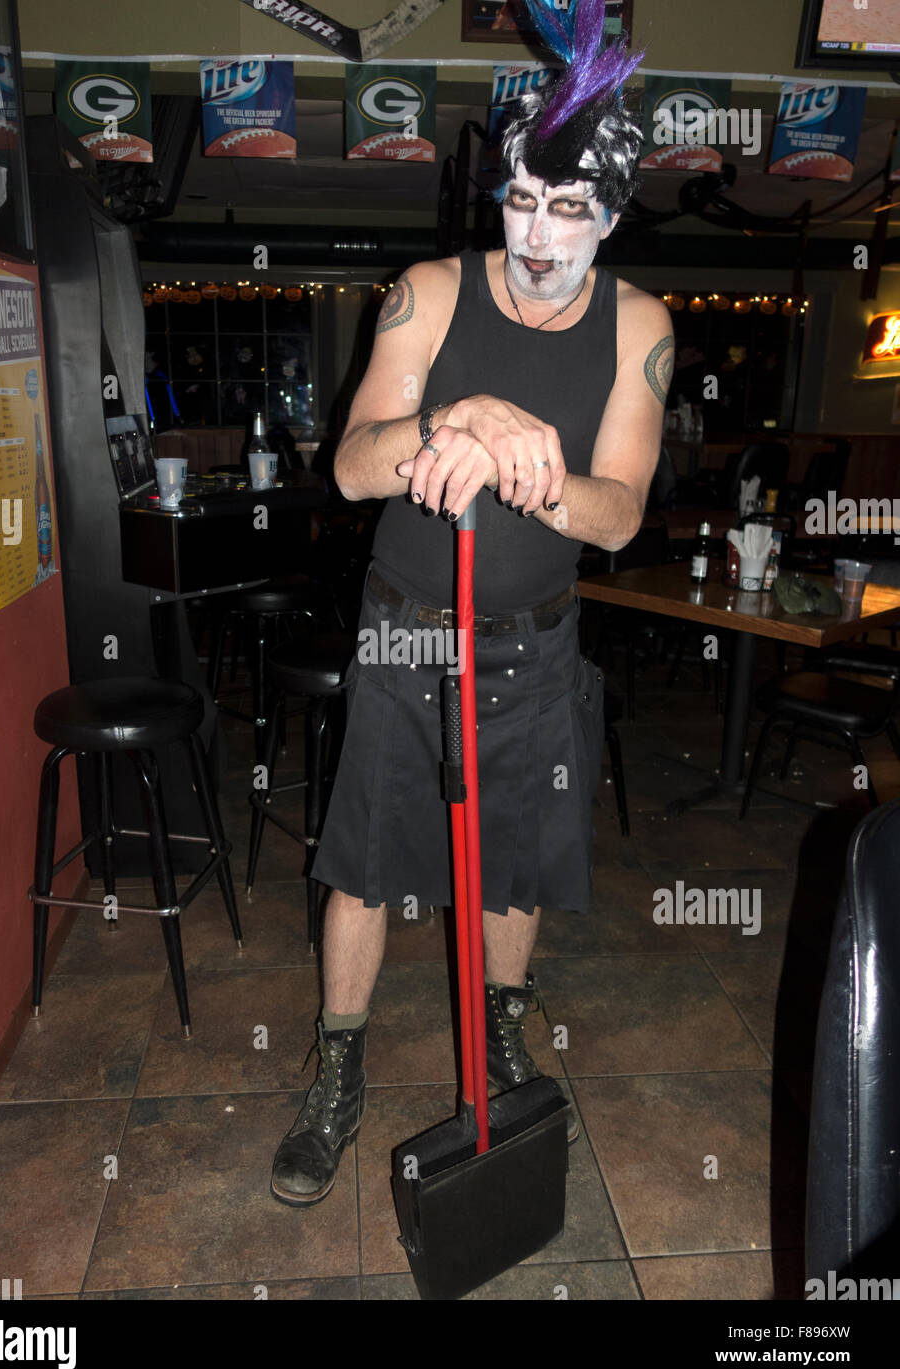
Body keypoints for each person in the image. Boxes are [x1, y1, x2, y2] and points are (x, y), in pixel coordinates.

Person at [270, 0, 674, 1207]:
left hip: (537, 646)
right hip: (407, 627)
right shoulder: (429, 294)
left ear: (610, 216)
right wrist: (458, 420)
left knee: (513, 875)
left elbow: (620, 514)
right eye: (521, 201)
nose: (540, 236)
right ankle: (337, 1065)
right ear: (498, 194)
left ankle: (497, 1034)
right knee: (362, 868)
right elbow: (347, 468)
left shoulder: (641, 327)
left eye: (571, 209)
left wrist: (529, 455)